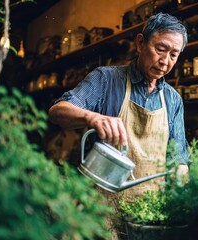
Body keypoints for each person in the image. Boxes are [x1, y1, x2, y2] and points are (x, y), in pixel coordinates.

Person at [48, 12, 190, 238]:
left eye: (174, 55)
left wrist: (182, 185)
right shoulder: (106, 79)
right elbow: (57, 111)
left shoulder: (173, 100)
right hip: (102, 214)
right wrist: (91, 117)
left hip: (148, 218)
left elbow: (179, 160)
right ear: (141, 43)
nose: (165, 61)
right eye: (160, 49)